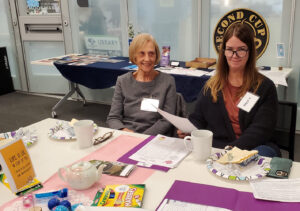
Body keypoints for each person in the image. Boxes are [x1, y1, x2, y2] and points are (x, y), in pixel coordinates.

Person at [178, 23, 280, 157]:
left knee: (263, 155)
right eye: (230, 49)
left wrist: (234, 148)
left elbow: (261, 129)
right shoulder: (211, 87)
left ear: (250, 52)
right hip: (220, 148)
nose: (234, 55)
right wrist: (187, 130)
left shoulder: (264, 87)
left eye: (241, 49)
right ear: (223, 52)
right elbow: (198, 119)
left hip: (255, 146)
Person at [107, 33, 177, 135]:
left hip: (154, 137)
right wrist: (125, 132)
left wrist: (141, 138)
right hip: (127, 136)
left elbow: (166, 120)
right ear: (134, 57)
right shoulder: (123, 81)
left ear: (156, 56)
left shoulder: (167, 82)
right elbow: (113, 118)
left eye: (151, 53)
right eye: (142, 53)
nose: (147, 59)